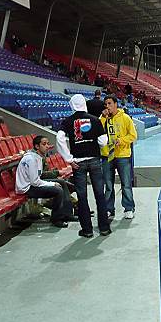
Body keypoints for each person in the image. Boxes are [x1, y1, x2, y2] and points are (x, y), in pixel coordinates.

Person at [57, 94, 111, 238]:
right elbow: (103, 141)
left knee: (82, 197)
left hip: (78, 163)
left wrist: (68, 158)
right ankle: (104, 227)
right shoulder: (95, 119)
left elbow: (59, 138)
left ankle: (87, 230)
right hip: (94, 160)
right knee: (100, 194)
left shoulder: (68, 121)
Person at [15, 136, 75, 228]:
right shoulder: (31, 159)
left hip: (33, 184)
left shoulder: (38, 157)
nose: (47, 146)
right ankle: (56, 219)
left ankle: (67, 214)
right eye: (44, 144)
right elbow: (35, 182)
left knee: (61, 182)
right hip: (27, 188)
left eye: (47, 143)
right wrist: (52, 183)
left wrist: (53, 182)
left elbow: (38, 177)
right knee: (58, 190)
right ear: (37, 146)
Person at [100, 95, 138, 220]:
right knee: (108, 185)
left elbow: (133, 136)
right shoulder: (103, 119)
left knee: (126, 183)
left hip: (122, 155)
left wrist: (121, 141)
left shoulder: (125, 118)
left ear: (116, 104)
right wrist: (103, 118)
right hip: (107, 155)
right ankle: (109, 209)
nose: (108, 106)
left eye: (110, 103)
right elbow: (98, 131)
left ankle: (128, 208)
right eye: (106, 104)